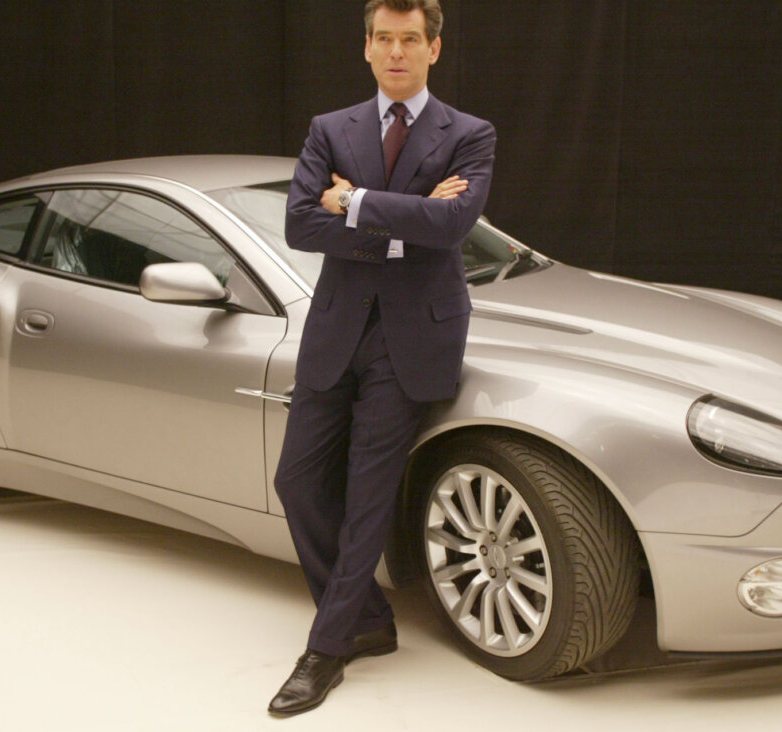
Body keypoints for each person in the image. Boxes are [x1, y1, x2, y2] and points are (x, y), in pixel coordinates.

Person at [268, 0, 495, 716]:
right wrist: (401, 222)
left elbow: (453, 223)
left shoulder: (470, 134)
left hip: (414, 336)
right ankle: (365, 616)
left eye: (410, 40)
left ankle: (327, 649)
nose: (396, 51)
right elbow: (301, 224)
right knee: (299, 482)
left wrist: (356, 199)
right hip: (336, 331)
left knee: (368, 496)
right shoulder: (329, 129)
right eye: (383, 39)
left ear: (434, 48)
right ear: (366, 48)